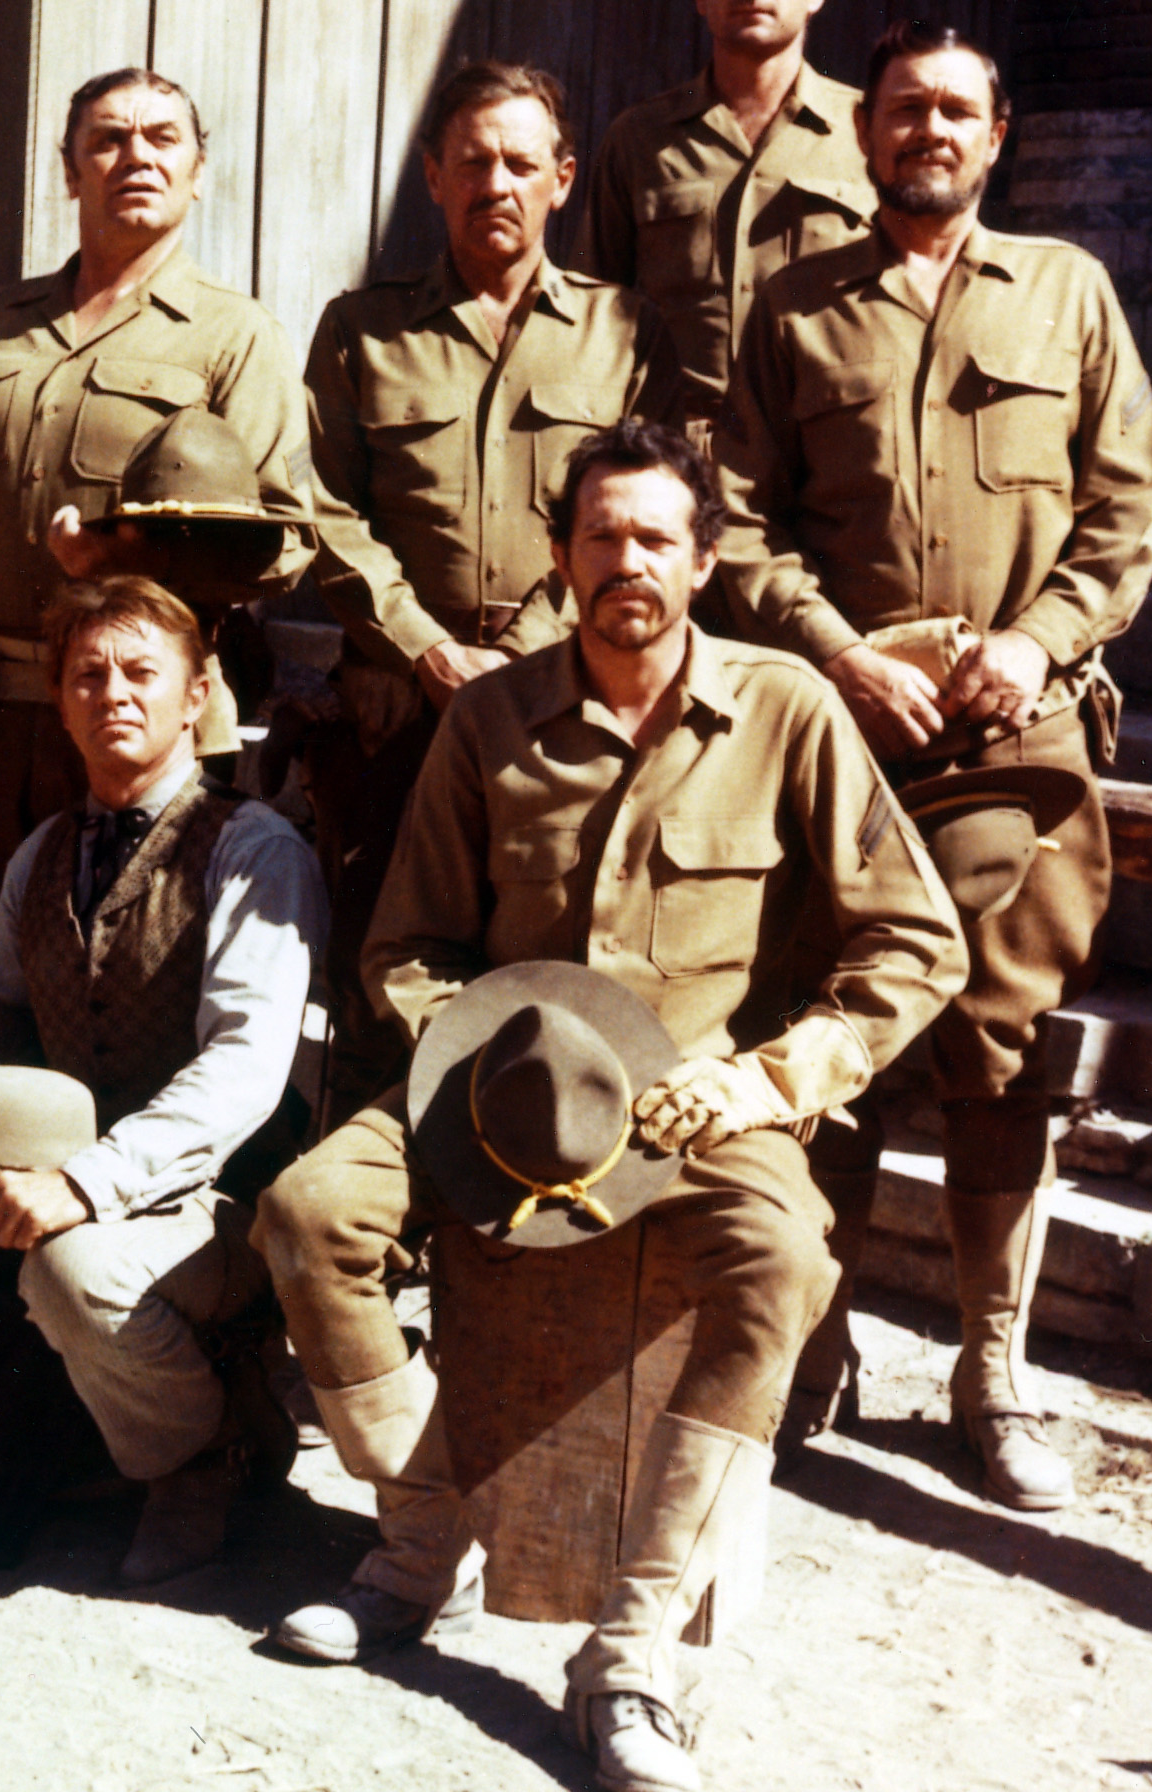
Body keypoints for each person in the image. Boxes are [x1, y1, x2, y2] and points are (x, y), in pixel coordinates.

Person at [252, 422, 964, 1792]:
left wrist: (769, 1076)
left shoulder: (789, 711)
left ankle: (633, 1649)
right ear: (564, 557)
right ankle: (422, 1541)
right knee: (309, 1212)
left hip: (701, 1108)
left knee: (784, 1264)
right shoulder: (489, 720)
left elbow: (915, 945)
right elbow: (405, 947)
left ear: (703, 561)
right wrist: (481, 1061)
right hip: (501, 1092)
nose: (625, 561)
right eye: (600, 537)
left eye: (654, 538)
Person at [712, 20, 1152, 1505]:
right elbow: (737, 525)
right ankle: (813, 1338)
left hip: (1015, 746)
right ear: (866, 136)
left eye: (954, 111)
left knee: (995, 1051)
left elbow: (1128, 499)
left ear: (998, 135)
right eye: (902, 107)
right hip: (840, 744)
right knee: (827, 1034)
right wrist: (837, 651)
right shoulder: (795, 311)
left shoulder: (1067, 294)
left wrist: (1041, 641)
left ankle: (993, 1370)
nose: (926, 130)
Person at [0, 67, 312, 1057]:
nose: (137, 158)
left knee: (131, 980)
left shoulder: (232, 337)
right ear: (67, 170)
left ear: (198, 171)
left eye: (163, 139)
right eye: (109, 140)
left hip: (135, 720)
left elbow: (284, 538)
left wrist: (129, 556)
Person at [304, 59, 678, 1116]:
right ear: (432, 176)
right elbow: (321, 508)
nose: (495, 183)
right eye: (472, 162)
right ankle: (372, 1234)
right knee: (382, 984)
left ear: (563, 178)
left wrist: (519, 663)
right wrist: (427, 650)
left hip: (562, 710)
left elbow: (646, 513)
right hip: (397, 715)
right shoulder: (361, 331)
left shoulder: (627, 334)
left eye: (521, 162)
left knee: (543, 970)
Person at [0, 575, 325, 1585]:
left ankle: (209, 1454)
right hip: (70, 1185)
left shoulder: (254, 849)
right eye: (86, 674)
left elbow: (247, 1066)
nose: (112, 694)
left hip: (217, 1202)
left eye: (139, 673)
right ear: (60, 696)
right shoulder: (37, 856)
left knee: (72, 1273)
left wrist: (83, 1186)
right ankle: (121, 1427)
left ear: (197, 695)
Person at [579, 0, 876, 428]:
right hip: (680, 460)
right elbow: (591, 316)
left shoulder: (868, 133)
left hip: (828, 458)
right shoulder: (641, 140)